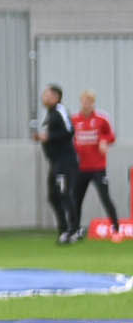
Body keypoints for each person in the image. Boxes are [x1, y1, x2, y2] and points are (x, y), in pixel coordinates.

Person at [70, 91, 118, 236]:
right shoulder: (74, 120)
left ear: (93, 103)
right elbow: (68, 137)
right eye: (84, 101)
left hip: (98, 168)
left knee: (105, 197)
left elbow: (111, 136)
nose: (87, 104)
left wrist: (104, 141)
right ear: (81, 102)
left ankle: (116, 228)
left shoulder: (101, 119)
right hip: (80, 168)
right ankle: (75, 230)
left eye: (90, 102)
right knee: (76, 199)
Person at [38, 85, 79, 241]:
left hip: (65, 162)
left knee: (64, 194)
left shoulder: (60, 111)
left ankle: (73, 230)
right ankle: (64, 230)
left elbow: (69, 131)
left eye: (47, 95)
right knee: (53, 196)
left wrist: (49, 137)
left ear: (56, 97)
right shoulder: (50, 114)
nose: (44, 97)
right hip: (55, 163)